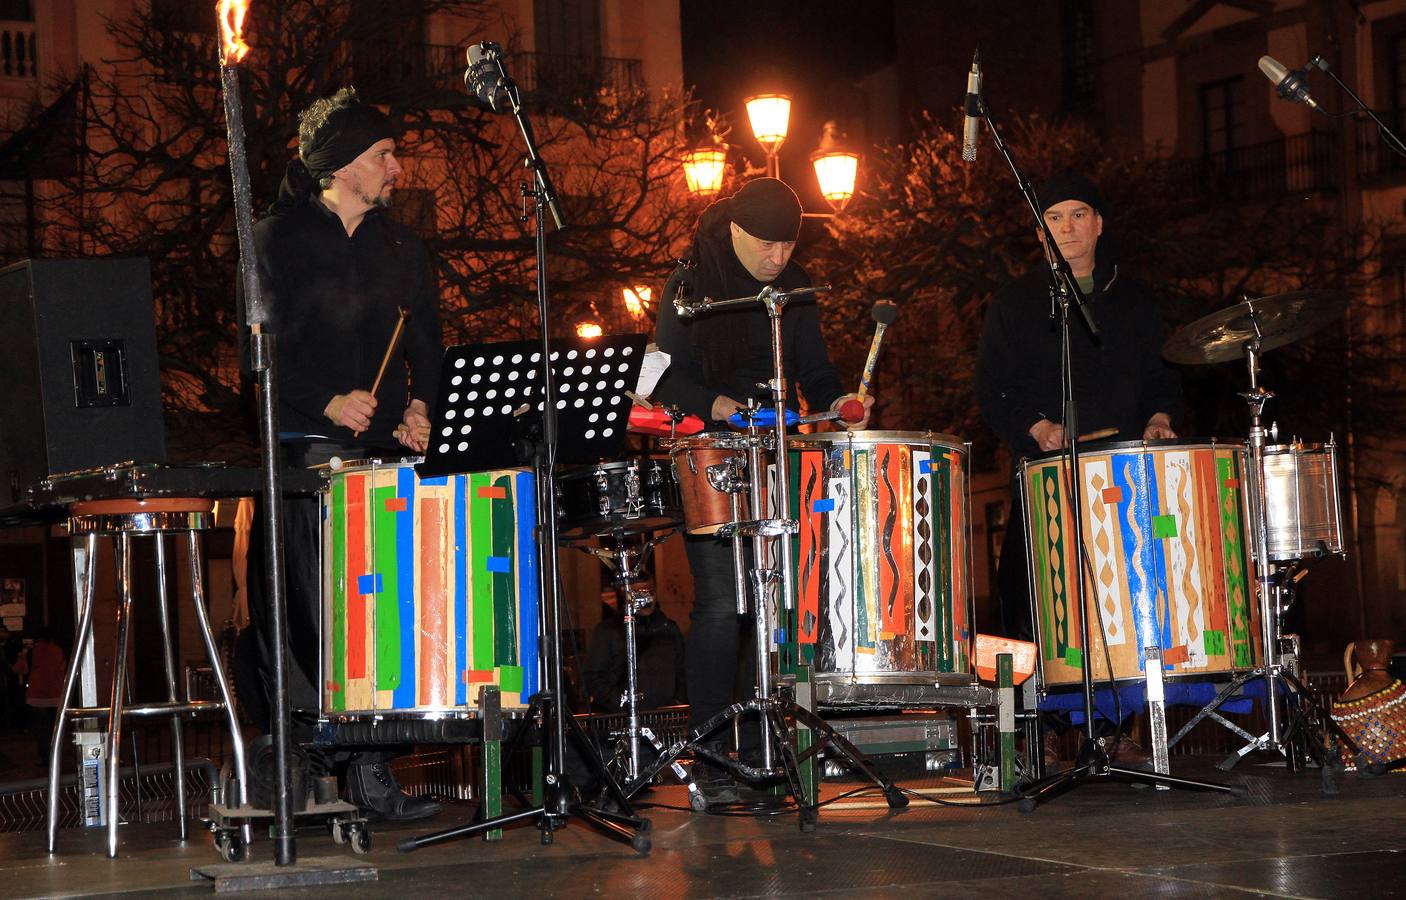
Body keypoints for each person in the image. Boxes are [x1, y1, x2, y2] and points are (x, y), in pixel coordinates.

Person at [234, 86, 442, 821]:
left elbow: (428, 348)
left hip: (383, 453)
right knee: (303, 616)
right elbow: (256, 358)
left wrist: (420, 407)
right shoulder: (273, 239)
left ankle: (373, 771)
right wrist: (325, 401)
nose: (397, 169)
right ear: (344, 164)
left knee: (382, 614)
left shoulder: (401, 248)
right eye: (384, 155)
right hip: (302, 453)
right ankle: (302, 768)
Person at [651, 177, 872, 806]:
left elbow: (816, 369)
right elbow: (663, 377)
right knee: (723, 605)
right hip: (712, 450)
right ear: (735, 232)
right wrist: (714, 402)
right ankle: (712, 750)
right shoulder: (691, 282)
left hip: (776, 450)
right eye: (766, 246)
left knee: (781, 603)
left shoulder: (794, 285)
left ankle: (773, 743)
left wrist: (837, 402)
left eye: (787, 245)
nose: (778, 258)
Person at [975, 171, 1182, 764]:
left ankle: (1121, 722)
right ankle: (1029, 723)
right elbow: (993, 387)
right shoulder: (1015, 303)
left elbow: (1164, 374)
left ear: (1098, 223)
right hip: (1046, 471)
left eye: (1077, 215)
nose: (1066, 228)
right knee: (1029, 590)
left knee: (1122, 594)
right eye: (1054, 219)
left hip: (1121, 473)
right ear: (1040, 232)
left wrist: (1160, 417)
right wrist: (1036, 427)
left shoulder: (1135, 299)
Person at [584, 592, 686, 714]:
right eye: (639, 594)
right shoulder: (609, 631)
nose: (645, 599)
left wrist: (677, 702)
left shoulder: (669, 629)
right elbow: (593, 677)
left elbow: (682, 669)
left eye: (650, 592)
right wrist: (621, 703)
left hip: (664, 717)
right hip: (623, 717)